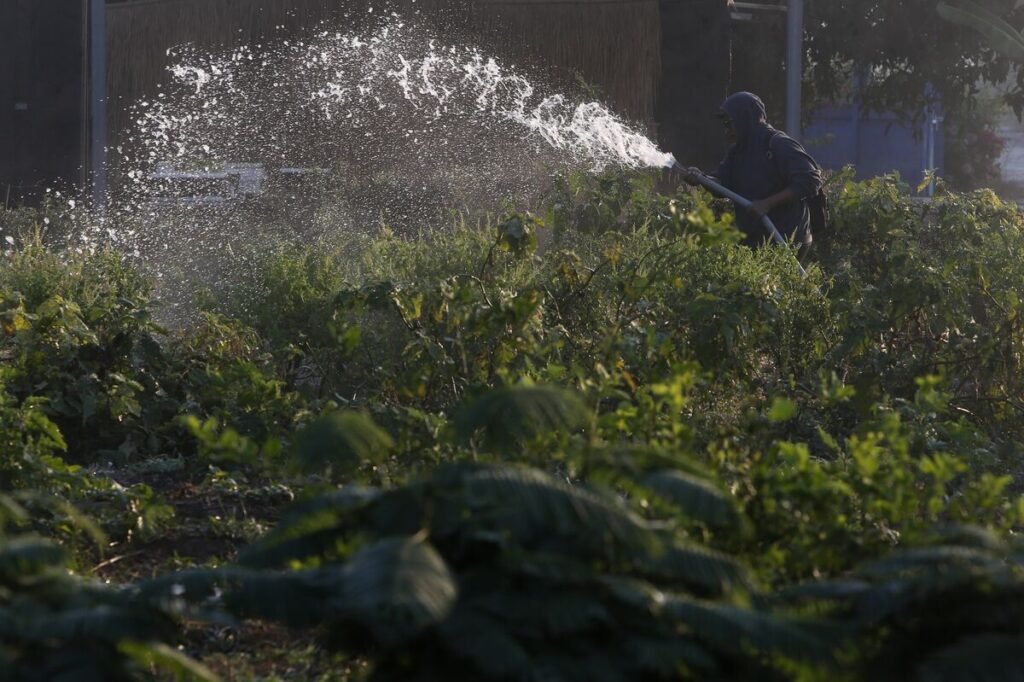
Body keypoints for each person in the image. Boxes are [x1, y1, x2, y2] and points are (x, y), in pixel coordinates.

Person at [683, 92, 822, 258]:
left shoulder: (778, 144)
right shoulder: (737, 151)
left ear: (745, 119)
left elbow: (810, 181)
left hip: (787, 239)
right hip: (757, 239)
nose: (727, 131)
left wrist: (768, 203)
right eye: (724, 125)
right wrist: (702, 179)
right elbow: (722, 184)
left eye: (729, 123)